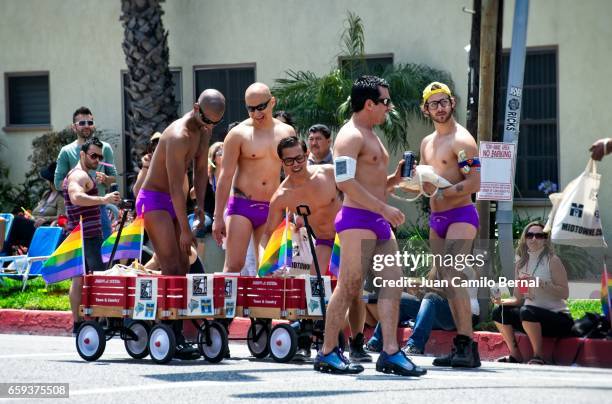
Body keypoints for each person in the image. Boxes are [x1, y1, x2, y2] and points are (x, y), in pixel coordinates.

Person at [314, 75, 426, 376]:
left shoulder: (372, 134)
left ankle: (390, 351)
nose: (389, 108)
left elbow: (373, 184)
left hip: (377, 218)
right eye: (385, 102)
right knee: (350, 284)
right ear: (368, 104)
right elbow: (345, 182)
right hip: (357, 220)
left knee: (393, 281)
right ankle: (327, 352)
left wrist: (395, 179)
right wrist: (383, 208)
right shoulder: (350, 136)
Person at [418, 82, 481, 368]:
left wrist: (447, 192)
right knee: (445, 281)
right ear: (426, 109)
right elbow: (423, 181)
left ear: (452, 103)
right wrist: (406, 184)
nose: (440, 108)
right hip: (437, 220)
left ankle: (467, 345)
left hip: (461, 215)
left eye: (444, 102)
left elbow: (474, 182)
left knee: (453, 275)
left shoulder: (463, 141)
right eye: (434, 104)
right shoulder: (427, 143)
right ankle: (461, 345)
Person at [213, 83, 295, 272]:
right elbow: (225, 177)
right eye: (251, 109)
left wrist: (294, 211)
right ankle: (225, 303)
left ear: (272, 102)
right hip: (242, 206)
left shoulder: (287, 132)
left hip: (271, 207)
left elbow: (292, 176)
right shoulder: (238, 134)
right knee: (234, 265)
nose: (256, 113)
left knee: (268, 269)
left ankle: (259, 303)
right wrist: (218, 217)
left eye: (261, 107)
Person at [492, 221, 573, 365]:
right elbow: (518, 299)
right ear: (525, 238)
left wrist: (541, 283)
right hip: (530, 316)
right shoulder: (521, 264)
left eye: (539, 235)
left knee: (527, 311)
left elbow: (564, 293)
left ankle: (538, 356)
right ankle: (515, 355)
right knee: (499, 312)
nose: (534, 239)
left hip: (558, 319)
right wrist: (500, 301)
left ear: (545, 240)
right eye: (530, 235)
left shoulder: (552, 260)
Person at [64, 137, 121, 334]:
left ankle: (80, 323)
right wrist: (103, 199)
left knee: (80, 278)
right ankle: (100, 319)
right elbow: (76, 197)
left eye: (99, 157)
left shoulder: (85, 174)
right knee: (98, 277)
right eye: (93, 156)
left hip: (82, 234)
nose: (97, 160)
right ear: (82, 155)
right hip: (87, 235)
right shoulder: (78, 176)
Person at [55, 107, 117, 240]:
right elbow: (58, 183)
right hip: (76, 211)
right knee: (80, 255)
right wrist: (78, 184)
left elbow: (114, 177)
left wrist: (106, 179)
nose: (87, 126)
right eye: (82, 123)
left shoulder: (104, 148)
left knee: (104, 253)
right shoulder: (66, 151)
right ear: (74, 127)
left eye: (90, 122)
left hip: (99, 208)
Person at [1, 163, 66, 255]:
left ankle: (4, 253)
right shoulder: (46, 194)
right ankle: (4, 251)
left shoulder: (61, 198)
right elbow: (38, 211)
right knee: (9, 220)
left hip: (42, 230)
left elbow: (62, 218)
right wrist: (28, 215)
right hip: (33, 224)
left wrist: (44, 219)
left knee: (16, 222)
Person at [132, 131, 162, 198]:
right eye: (154, 145)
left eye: (160, 145)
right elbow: (137, 192)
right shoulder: (145, 166)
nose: (157, 149)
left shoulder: (171, 165)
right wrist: (145, 167)